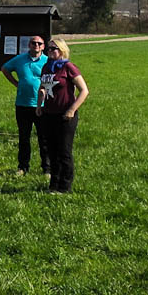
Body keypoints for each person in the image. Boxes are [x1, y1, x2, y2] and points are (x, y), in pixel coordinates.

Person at [36, 39, 89, 193]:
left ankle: (65, 186)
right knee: (51, 151)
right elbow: (42, 87)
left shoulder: (68, 67)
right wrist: (39, 105)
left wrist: (72, 110)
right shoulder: (46, 67)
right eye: (49, 48)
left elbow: (84, 90)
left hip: (65, 115)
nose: (50, 51)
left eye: (54, 48)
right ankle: (54, 184)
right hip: (48, 114)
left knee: (64, 151)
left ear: (62, 50)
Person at [1, 35, 49, 176]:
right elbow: (5, 69)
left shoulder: (47, 61)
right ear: (29, 45)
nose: (36, 45)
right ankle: (23, 167)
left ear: (43, 46)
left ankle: (47, 168)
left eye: (39, 43)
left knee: (44, 138)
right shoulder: (19, 59)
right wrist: (16, 83)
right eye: (33, 43)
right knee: (24, 138)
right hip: (23, 104)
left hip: (42, 104)